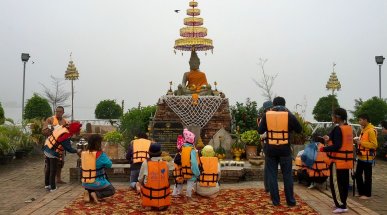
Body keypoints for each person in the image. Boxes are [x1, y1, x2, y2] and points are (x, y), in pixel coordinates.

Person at [257, 96, 302, 207]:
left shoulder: (267, 115)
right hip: (285, 149)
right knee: (287, 175)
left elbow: (260, 130)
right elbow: (299, 129)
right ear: (284, 104)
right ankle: (290, 201)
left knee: (272, 175)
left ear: (273, 104)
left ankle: (276, 201)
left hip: (271, 149)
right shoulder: (289, 115)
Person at [320, 108, 353, 213]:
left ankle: (341, 205)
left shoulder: (338, 129)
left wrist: (323, 149)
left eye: (333, 115)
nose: (332, 118)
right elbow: (338, 140)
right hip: (346, 161)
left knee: (336, 183)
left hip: (338, 162)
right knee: (344, 183)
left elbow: (337, 146)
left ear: (337, 117)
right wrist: (328, 138)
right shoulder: (348, 128)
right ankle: (342, 202)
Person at [43, 121, 82, 192]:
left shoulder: (62, 128)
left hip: (46, 147)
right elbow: (69, 149)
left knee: (48, 168)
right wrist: (77, 151)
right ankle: (53, 187)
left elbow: (59, 139)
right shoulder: (66, 135)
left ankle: (47, 185)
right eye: (77, 132)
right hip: (52, 152)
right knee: (53, 170)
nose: (77, 133)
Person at [81, 134, 115, 203]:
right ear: (98, 143)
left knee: (93, 184)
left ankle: (88, 192)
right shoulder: (100, 154)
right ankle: (95, 194)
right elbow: (109, 165)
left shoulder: (84, 154)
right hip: (96, 182)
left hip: (85, 182)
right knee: (111, 190)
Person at [138, 143, 171, 210]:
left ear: (149, 153)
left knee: (138, 183)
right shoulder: (166, 163)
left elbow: (140, 179)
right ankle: (161, 204)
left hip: (149, 195)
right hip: (162, 195)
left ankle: (149, 204)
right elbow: (167, 177)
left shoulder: (145, 163)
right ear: (160, 153)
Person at [42, 106, 69, 184]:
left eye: (60, 112)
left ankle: (58, 179)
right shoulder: (50, 119)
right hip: (50, 145)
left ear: (63, 113)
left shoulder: (65, 121)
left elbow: (68, 132)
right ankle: (48, 180)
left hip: (60, 146)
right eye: (57, 111)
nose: (58, 113)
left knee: (60, 162)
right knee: (48, 163)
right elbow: (44, 131)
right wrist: (52, 130)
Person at [355, 114, 378, 199]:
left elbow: (374, 145)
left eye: (360, 120)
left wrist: (360, 143)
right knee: (358, 175)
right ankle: (361, 192)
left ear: (365, 120)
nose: (359, 122)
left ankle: (367, 194)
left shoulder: (371, 130)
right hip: (361, 157)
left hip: (368, 158)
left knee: (367, 176)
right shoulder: (364, 130)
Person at [257, 100, 273, 192]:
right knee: (268, 166)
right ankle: (267, 186)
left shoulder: (275, 117)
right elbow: (261, 134)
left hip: (275, 143)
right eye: (269, 108)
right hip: (267, 143)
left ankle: (271, 185)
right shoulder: (262, 119)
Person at [180, 128, 200, 200]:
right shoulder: (192, 150)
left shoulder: (184, 148)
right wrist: (197, 173)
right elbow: (194, 163)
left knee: (189, 183)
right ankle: (188, 196)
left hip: (185, 169)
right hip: (191, 171)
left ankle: (188, 195)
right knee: (190, 183)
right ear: (192, 140)